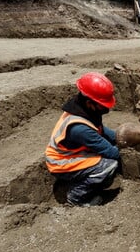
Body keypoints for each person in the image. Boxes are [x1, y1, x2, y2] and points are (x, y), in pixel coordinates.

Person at [45, 72, 121, 206]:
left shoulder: (82, 108)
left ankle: (77, 180)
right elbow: (111, 152)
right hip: (61, 163)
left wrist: (119, 137)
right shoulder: (80, 129)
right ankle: (76, 198)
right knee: (108, 166)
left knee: (105, 155)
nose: (106, 108)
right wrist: (128, 149)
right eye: (103, 105)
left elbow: (101, 130)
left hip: (69, 154)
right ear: (90, 103)